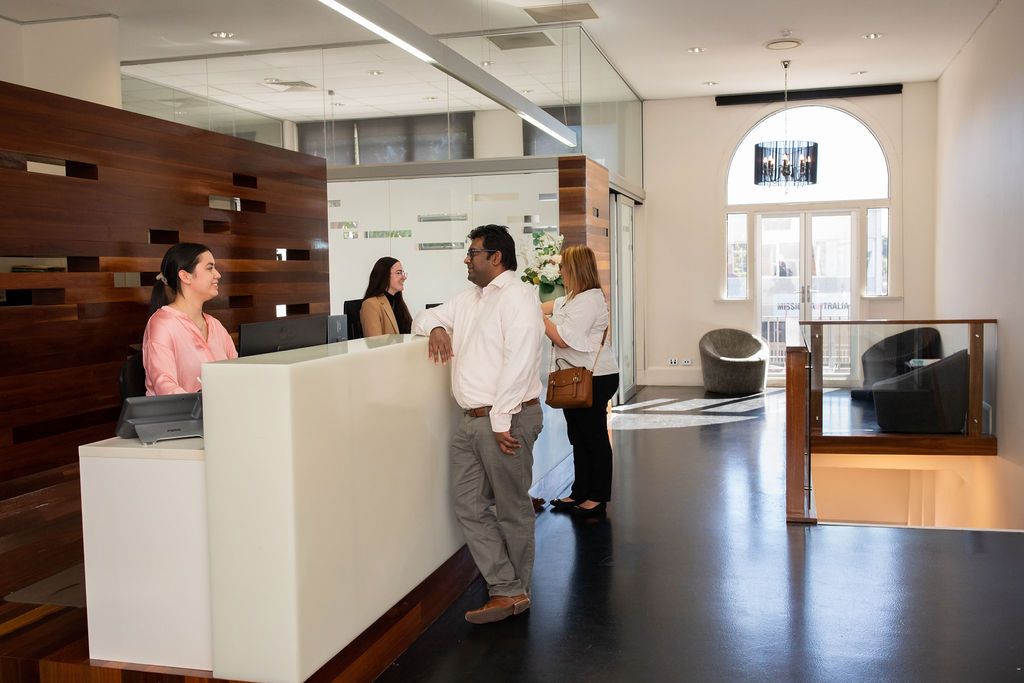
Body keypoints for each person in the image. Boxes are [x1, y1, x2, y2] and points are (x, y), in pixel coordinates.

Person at [412, 224, 544, 625]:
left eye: (473, 253)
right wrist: (436, 327)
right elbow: (423, 315)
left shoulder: (518, 298)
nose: (467, 259)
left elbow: (519, 362)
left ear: (496, 258)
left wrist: (502, 421)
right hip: (471, 422)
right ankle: (507, 587)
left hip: (507, 419)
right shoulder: (469, 299)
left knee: (512, 509)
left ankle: (514, 592)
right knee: (468, 505)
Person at [542, 245, 619, 516]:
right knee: (578, 436)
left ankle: (597, 496)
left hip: (595, 377)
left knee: (593, 436)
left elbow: (562, 338)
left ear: (575, 269)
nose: (560, 271)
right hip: (575, 377)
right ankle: (580, 492)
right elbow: (543, 307)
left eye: (564, 267)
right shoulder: (570, 299)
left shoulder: (590, 299)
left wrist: (540, 319)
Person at [143, 243, 237, 395]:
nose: (217, 274)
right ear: (185, 276)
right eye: (209, 267)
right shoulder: (162, 324)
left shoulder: (215, 325)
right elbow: (165, 388)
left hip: (218, 413)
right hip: (182, 416)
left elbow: (238, 372)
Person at [359, 256, 412, 337]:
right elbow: (375, 344)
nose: (404, 277)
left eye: (403, 273)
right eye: (398, 273)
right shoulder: (370, 305)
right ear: (384, 275)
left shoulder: (398, 303)